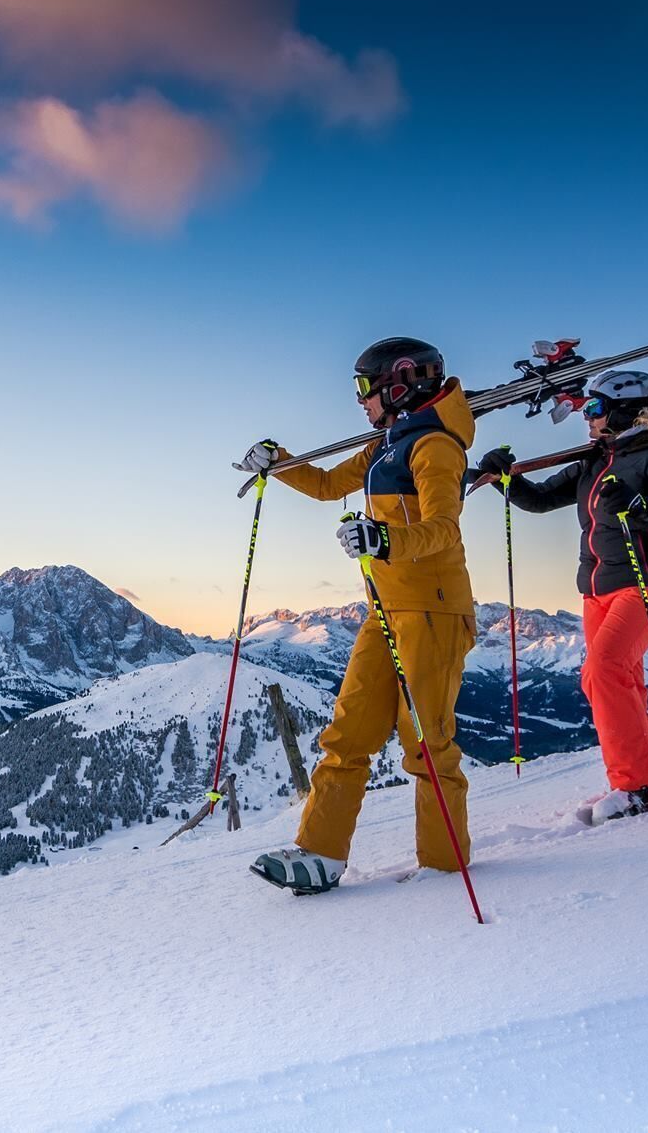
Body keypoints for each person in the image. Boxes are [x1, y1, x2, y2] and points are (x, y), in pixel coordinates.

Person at [234, 337, 476, 894]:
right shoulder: (386, 447)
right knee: (347, 735)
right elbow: (325, 487)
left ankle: (444, 867)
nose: (360, 401)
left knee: (427, 743)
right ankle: (319, 855)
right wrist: (281, 460)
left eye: (364, 388)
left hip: (433, 611)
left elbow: (445, 528)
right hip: (384, 609)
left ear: (401, 381)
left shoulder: (435, 446)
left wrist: (384, 536)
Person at [472, 370, 648, 824]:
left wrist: (639, 507)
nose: (586, 418)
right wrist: (506, 478)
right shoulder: (596, 460)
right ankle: (646, 782)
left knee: (605, 672)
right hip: (597, 590)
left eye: (594, 409)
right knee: (612, 680)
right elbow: (540, 500)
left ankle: (633, 787)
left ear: (625, 412)